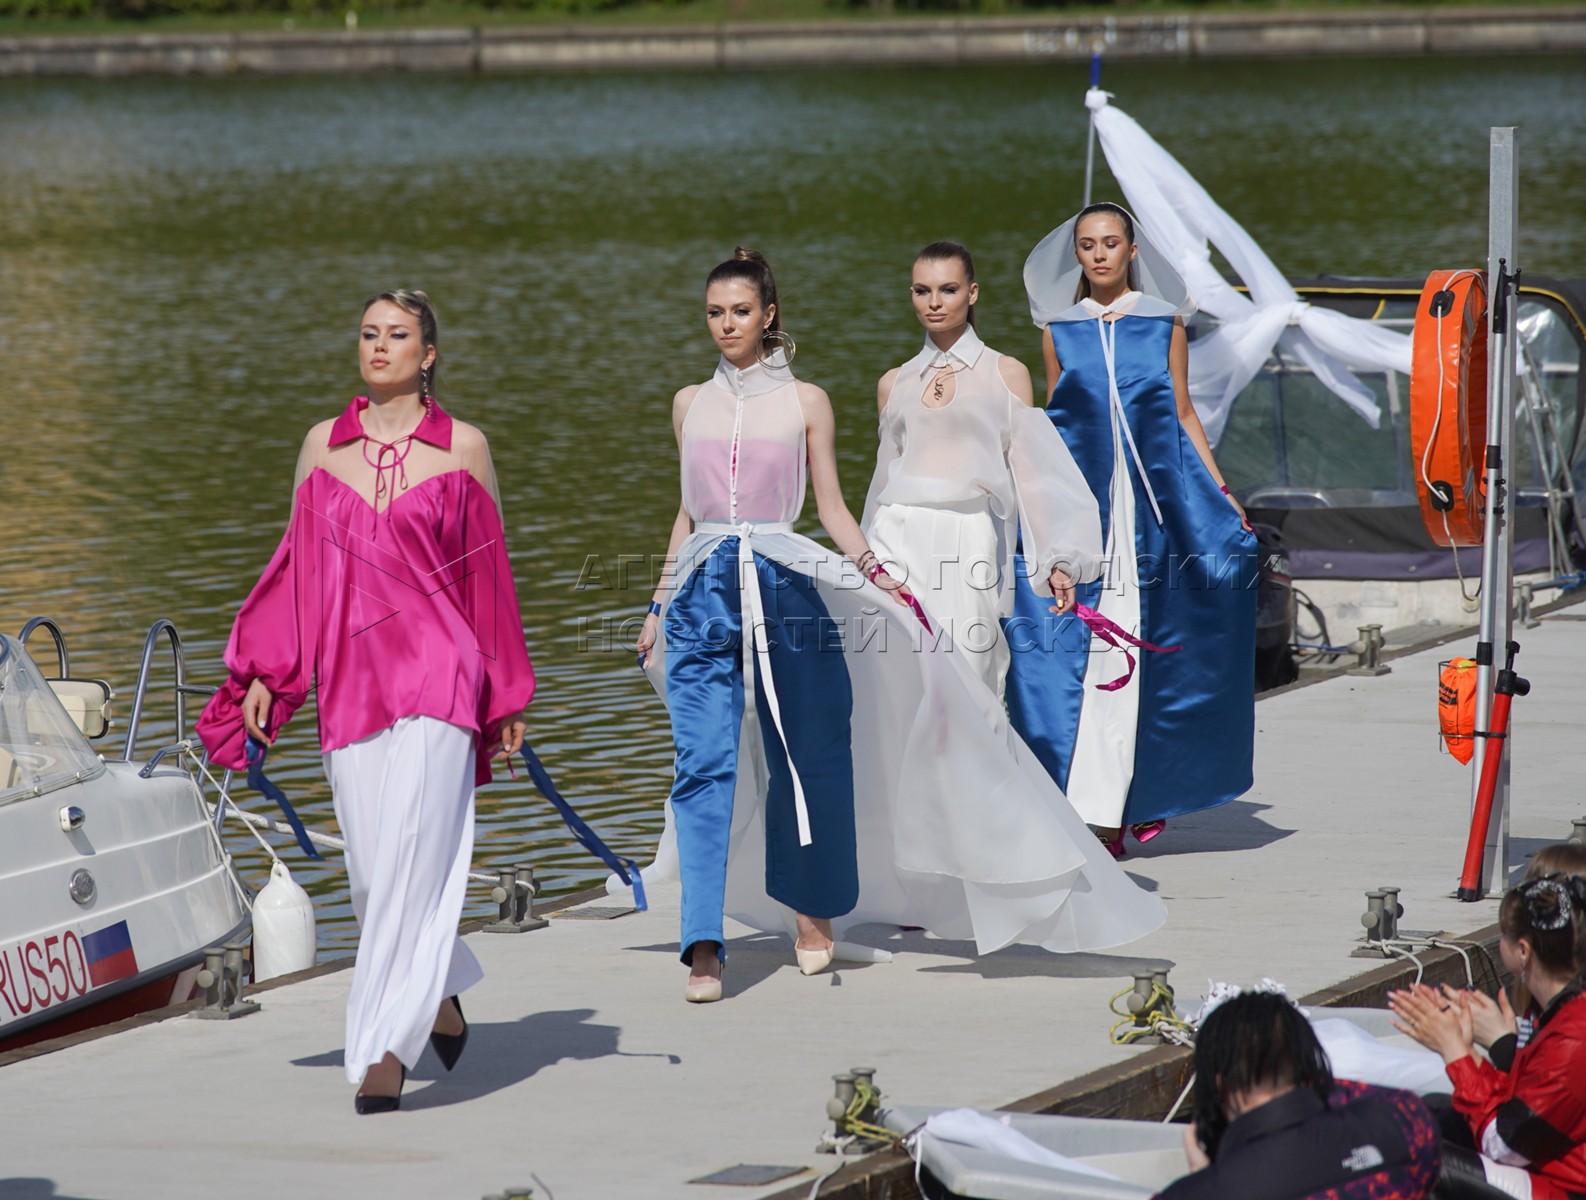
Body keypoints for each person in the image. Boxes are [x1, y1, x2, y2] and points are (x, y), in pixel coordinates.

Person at [632, 248, 1167, 1004]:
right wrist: (658, 605)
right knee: (710, 761)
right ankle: (705, 943)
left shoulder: (820, 400)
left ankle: (843, 905)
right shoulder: (699, 402)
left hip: (829, 574)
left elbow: (843, 506)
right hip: (720, 588)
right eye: (715, 312)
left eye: (740, 311)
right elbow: (694, 514)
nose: (726, 324)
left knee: (835, 746)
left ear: (768, 315)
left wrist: (890, 577)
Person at [197, 289, 534, 1113]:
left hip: (441, 678)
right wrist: (270, 676)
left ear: (428, 355)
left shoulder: (464, 448)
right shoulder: (323, 446)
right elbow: (295, 575)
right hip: (350, 685)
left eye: (398, 335)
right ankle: (440, 991)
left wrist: (506, 694)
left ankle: (383, 1048)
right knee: (375, 878)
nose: (379, 346)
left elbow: (490, 582)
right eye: (368, 334)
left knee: (414, 852)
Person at [1005, 202, 1257, 858]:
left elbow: (1183, 413)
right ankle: (1092, 807)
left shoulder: (1162, 322)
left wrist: (1222, 494)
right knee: (1085, 654)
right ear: (1077, 255)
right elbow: (1055, 425)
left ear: (1131, 250)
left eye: (1110, 243)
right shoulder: (1060, 331)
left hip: (1154, 508)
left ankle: (1139, 796)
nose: (1099, 254)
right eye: (1088, 245)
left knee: (1147, 650)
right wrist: (1040, 509)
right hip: (1086, 511)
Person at [861, 241, 1102, 700]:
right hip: (896, 535)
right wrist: (864, 560)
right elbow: (882, 481)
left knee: (970, 676)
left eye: (948, 289)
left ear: (972, 293)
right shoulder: (894, 383)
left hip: (968, 536)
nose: (934, 302)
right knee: (901, 682)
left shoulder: (1005, 373)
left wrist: (1058, 558)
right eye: (922, 290)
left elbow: (1035, 475)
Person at [1390, 875, 1586, 1200]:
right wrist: (1477, 1050)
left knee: (1418, 1156)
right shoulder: (1564, 1008)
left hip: (1564, 1189)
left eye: (1503, 935)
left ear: (1522, 951)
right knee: (1427, 1114)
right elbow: (1524, 1104)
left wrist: (1456, 1052)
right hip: (1548, 1164)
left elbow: (1505, 1144)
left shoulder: (1572, 1037)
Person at [1157, 990, 1440, 1199]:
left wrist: (1203, 1178)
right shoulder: (1406, 1124)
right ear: (1306, 1066)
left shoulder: (1193, 1194)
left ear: (1220, 1083)